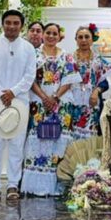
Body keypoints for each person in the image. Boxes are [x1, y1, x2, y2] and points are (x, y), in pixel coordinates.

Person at [0, 10, 37, 202]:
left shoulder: (29, 48)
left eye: (16, 23)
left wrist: (13, 92)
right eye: (8, 22)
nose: (12, 26)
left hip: (19, 100)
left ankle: (13, 184)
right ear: (2, 24)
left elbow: (30, 74)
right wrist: (1, 92)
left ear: (21, 26)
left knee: (16, 143)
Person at [22, 22, 79, 197]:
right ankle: (35, 186)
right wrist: (44, 97)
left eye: (55, 33)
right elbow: (29, 79)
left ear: (59, 36)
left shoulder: (67, 56)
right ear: (43, 34)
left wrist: (54, 97)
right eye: (48, 33)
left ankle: (58, 185)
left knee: (57, 143)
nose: (51, 36)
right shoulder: (33, 54)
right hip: (38, 104)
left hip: (61, 105)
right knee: (38, 141)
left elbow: (69, 81)